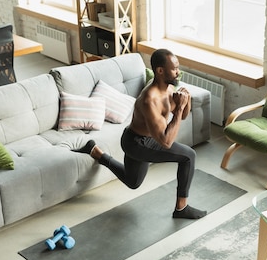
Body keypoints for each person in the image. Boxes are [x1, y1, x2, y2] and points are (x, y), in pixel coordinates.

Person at [74, 49, 207, 219]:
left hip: (144, 139)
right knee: (189, 156)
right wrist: (180, 107)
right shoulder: (149, 100)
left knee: (133, 182)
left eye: (178, 67)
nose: (178, 72)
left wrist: (186, 101)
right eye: (174, 69)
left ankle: (95, 152)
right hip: (137, 143)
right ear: (160, 71)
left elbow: (184, 115)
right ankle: (181, 208)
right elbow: (166, 142)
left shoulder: (169, 88)